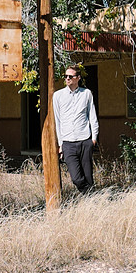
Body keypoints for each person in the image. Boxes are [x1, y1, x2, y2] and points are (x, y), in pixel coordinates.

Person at [53, 64, 99, 194]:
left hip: (85, 140)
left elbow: (92, 115)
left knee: (88, 177)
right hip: (68, 142)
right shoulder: (58, 96)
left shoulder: (86, 94)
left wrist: (93, 139)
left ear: (77, 78)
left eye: (70, 76)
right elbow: (58, 121)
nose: (67, 79)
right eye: (65, 76)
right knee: (76, 178)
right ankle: (90, 195)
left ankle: (91, 203)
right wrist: (61, 144)